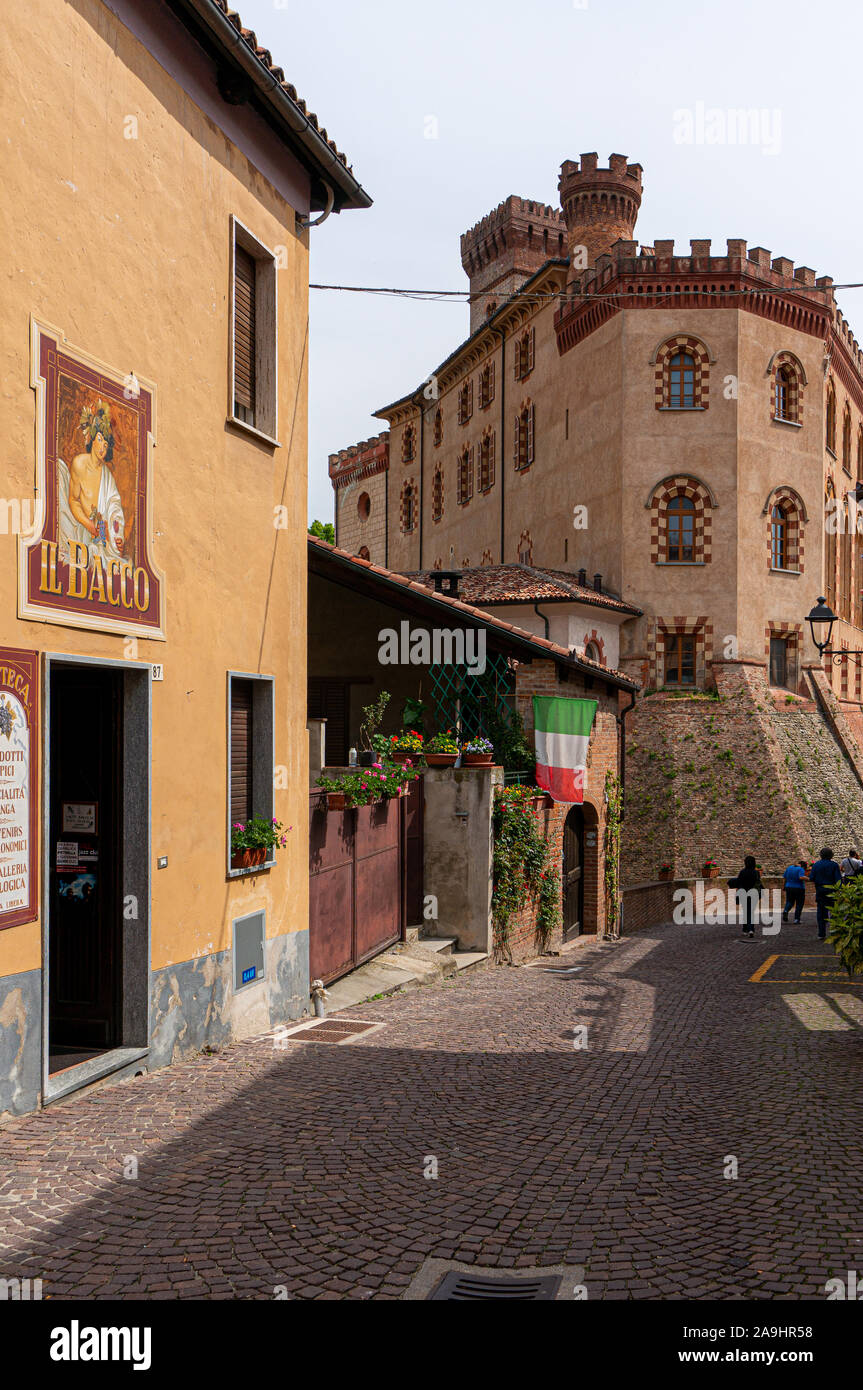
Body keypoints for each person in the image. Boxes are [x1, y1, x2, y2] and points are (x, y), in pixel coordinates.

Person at [809, 848, 842, 940]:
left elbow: (811, 878)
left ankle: (821, 933)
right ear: (831, 855)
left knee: (821, 913)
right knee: (834, 911)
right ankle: (835, 931)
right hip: (832, 891)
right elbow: (838, 880)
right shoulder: (834, 865)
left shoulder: (816, 865)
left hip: (820, 890)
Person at [729, 855, 763, 939]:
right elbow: (758, 883)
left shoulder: (742, 872)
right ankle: (750, 929)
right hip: (754, 893)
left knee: (745, 911)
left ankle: (745, 929)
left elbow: (739, 882)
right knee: (751, 912)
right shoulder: (756, 872)